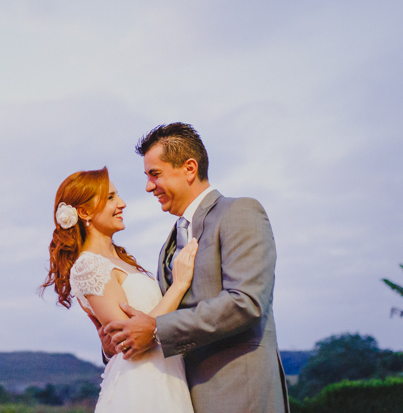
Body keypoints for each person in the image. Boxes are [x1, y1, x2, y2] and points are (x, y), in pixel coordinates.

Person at [103, 123, 290, 413]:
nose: (148, 186)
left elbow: (247, 302)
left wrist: (155, 330)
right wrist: (118, 341)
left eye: (155, 174)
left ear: (189, 168)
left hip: (237, 397)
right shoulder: (170, 240)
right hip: (179, 399)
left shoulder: (239, 212)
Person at [41, 167, 199, 413]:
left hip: (168, 379)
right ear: (83, 212)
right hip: (141, 388)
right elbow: (131, 340)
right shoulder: (87, 266)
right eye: (110, 197)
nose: (122, 203)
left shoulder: (122, 261)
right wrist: (178, 286)